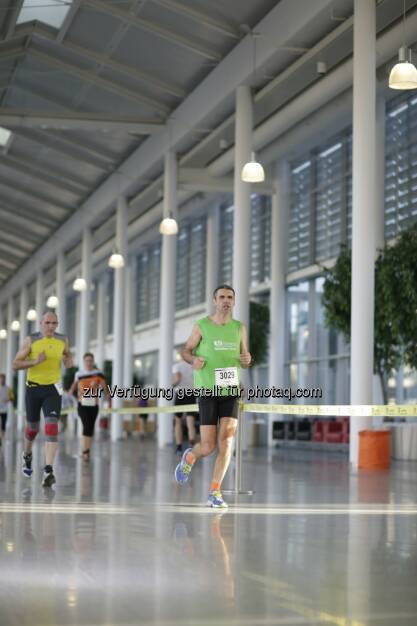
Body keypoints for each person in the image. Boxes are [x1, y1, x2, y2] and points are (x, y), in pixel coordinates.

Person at [174, 285, 251, 508]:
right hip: (208, 390)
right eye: (222, 297)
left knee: (227, 441)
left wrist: (247, 360)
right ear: (214, 301)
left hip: (231, 391)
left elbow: (245, 357)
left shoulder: (239, 328)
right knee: (208, 447)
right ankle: (190, 456)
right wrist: (192, 360)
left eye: (230, 297)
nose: (226, 301)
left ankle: (214, 492)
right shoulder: (202, 326)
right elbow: (185, 351)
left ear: (234, 302)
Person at [13, 310, 73, 487]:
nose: (51, 326)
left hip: (53, 389)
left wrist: (68, 360)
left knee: (52, 426)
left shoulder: (62, 340)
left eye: (54, 323)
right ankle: (27, 454)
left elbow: (67, 354)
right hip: (33, 389)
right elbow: (15, 364)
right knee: (32, 429)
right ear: (41, 323)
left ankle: (48, 470)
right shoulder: (31, 340)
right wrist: (34, 362)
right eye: (47, 323)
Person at [69, 353, 110, 461]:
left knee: (90, 428)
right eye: (87, 360)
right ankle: (85, 452)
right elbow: (74, 386)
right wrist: (69, 393)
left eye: (90, 360)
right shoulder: (79, 374)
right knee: (86, 425)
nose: (89, 363)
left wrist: (98, 386)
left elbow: (105, 389)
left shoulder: (98, 373)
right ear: (84, 362)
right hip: (82, 404)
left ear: (93, 361)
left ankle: (87, 451)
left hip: (94, 405)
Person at [172, 360, 198, 454]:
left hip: (180, 393)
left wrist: (172, 384)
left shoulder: (177, 366)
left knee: (178, 421)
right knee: (190, 422)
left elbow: (178, 378)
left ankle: (179, 447)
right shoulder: (193, 365)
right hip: (191, 393)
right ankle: (191, 445)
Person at [0, 373, 13, 446]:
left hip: (4, 410)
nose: (2, 380)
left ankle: (1, 438)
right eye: (1, 378)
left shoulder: (8, 389)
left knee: (3, 425)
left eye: (3, 378)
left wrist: (7, 399)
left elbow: (12, 398)